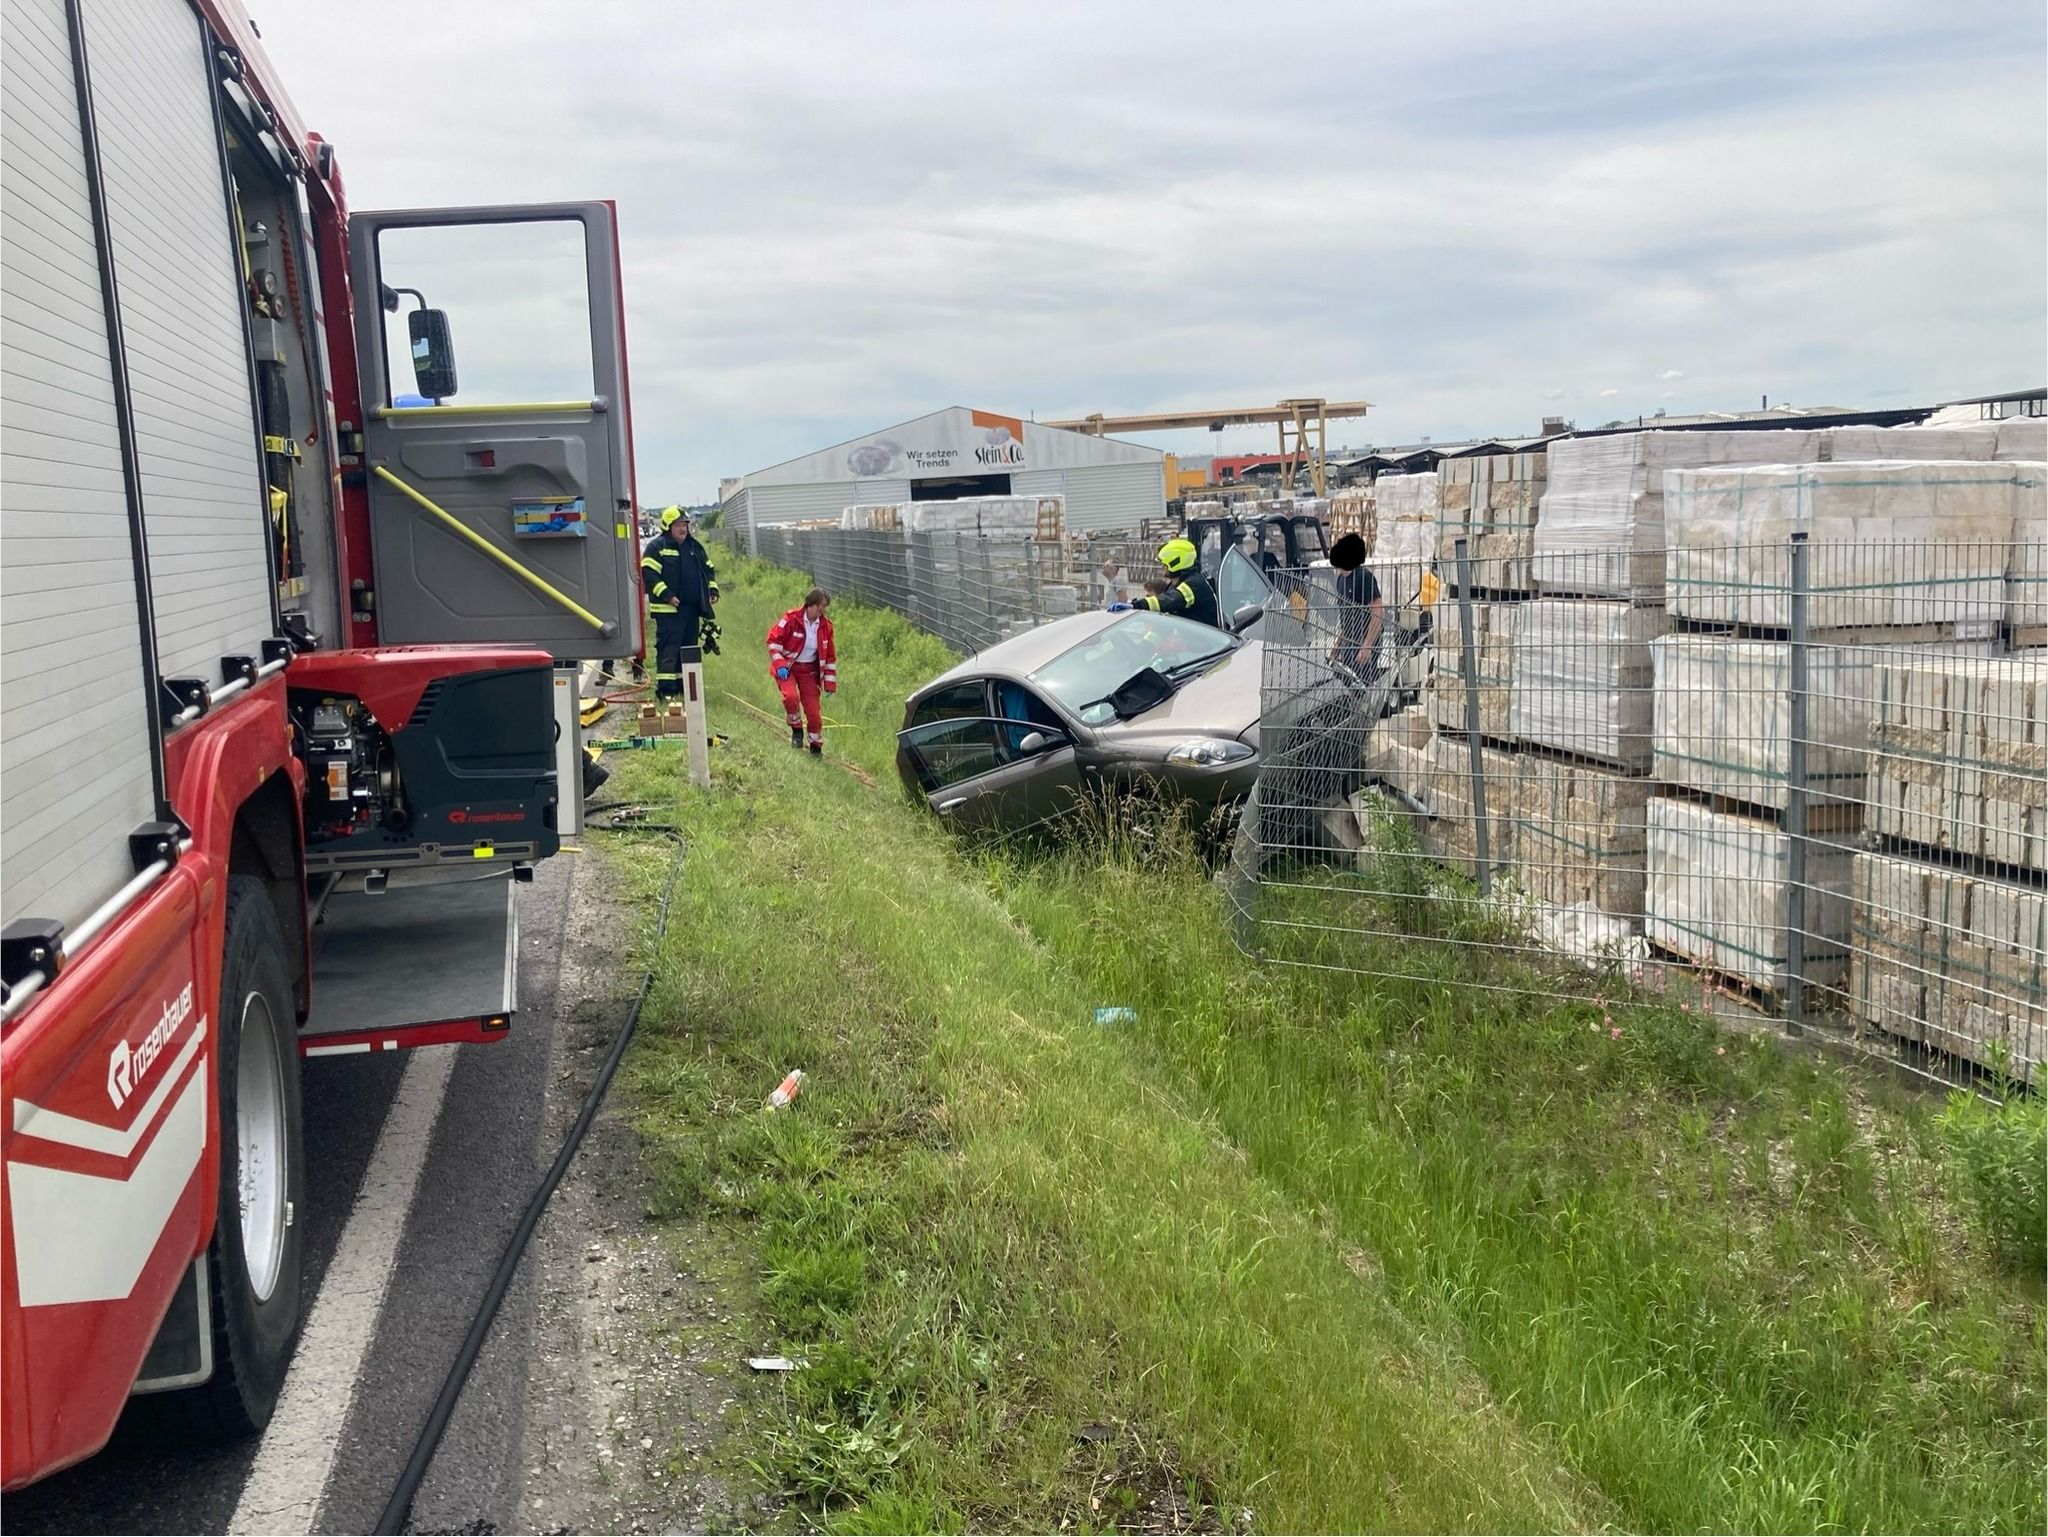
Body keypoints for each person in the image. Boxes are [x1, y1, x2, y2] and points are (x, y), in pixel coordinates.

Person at [633, 506, 718, 700]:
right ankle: (666, 690)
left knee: (688, 650)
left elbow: (708, 569)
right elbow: (650, 575)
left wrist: (712, 590)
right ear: (668, 526)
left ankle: (686, 688)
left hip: (692, 609)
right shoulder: (657, 547)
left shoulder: (694, 547)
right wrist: (668, 595)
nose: (683, 529)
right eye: (679, 525)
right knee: (669, 649)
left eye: (685, 525)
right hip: (668, 610)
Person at [766, 587, 837, 754]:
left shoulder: (826, 627)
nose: (822, 611)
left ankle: (815, 746)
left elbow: (830, 657)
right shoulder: (791, 619)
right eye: (820, 606)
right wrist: (781, 665)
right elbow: (773, 642)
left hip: (809, 672)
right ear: (811, 604)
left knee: (813, 713)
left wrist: (829, 684)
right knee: (791, 697)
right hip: (788, 668)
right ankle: (796, 730)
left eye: (824, 607)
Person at [1110, 536, 1218, 627]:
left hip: (1206, 644)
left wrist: (1136, 605)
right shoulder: (1177, 584)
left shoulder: (1194, 584)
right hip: (1190, 637)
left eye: (1165, 564)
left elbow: (1169, 601)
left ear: (1175, 563)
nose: (1162, 567)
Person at [1328, 532, 1385, 680]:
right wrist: (1336, 648)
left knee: (1361, 683)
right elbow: (1346, 620)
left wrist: (1367, 645)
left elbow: (1377, 611)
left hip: (1363, 641)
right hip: (1349, 642)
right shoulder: (1340, 580)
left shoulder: (1364, 577)